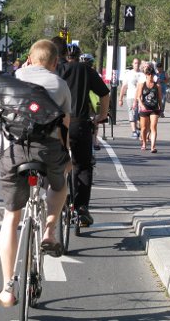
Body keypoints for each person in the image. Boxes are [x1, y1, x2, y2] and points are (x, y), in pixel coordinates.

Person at [0, 39, 72, 308]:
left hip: (13, 153)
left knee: (11, 217)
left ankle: (7, 288)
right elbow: (64, 126)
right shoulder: (61, 85)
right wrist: (68, 158)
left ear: (29, 58)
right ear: (55, 62)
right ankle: (50, 230)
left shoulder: (13, 78)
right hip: (47, 152)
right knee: (60, 185)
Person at [54, 38, 110, 226]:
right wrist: (101, 116)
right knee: (83, 165)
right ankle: (81, 208)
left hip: (54, 124)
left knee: (52, 164)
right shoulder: (85, 69)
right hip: (78, 123)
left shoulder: (52, 70)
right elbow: (104, 93)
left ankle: (51, 202)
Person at [134, 64, 162, 153]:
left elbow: (160, 98)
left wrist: (160, 108)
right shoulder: (142, 84)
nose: (150, 76)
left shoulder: (157, 86)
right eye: (149, 74)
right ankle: (144, 143)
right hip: (145, 108)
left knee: (153, 127)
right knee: (144, 128)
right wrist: (141, 104)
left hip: (154, 109)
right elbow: (138, 96)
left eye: (152, 75)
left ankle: (153, 147)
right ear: (146, 75)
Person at [119, 58, 143, 138]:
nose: (137, 64)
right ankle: (134, 131)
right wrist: (120, 99)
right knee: (132, 114)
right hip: (131, 97)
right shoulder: (129, 74)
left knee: (140, 115)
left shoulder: (142, 74)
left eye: (138, 63)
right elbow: (124, 86)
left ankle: (138, 129)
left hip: (141, 98)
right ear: (132, 64)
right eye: (135, 63)